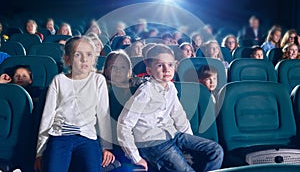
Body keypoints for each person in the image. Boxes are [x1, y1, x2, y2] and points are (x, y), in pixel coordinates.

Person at [117, 44, 224, 172]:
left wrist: (189, 144)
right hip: (153, 143)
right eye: (160, 65)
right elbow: (124, 124)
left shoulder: (171, 87)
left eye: (170, 65)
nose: (166, 69)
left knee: (216, 151)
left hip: (173, 135)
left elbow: (179, 116)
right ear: (150, 71)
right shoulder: (145, 92)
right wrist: (135, 157)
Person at [34, 36, 115, 172]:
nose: (84, 59)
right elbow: (47, 117)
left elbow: (103, 115)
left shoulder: (98, 80)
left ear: (94, 58)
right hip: (60, 137)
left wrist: (106, 146)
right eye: (78, 54)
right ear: (67, 59)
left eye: (89, 55)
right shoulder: (58, 80)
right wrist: (40, 152)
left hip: (87, 137)